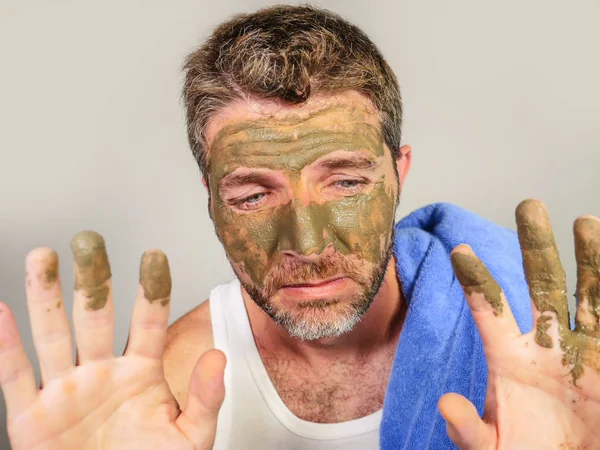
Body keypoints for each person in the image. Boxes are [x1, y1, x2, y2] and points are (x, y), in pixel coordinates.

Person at [1, 4, 600, 449]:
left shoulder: (550, 368)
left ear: (400, 173)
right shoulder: (163, 392)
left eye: (344, 183)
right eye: (255, 195)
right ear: (209, 200)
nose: (308, 245)